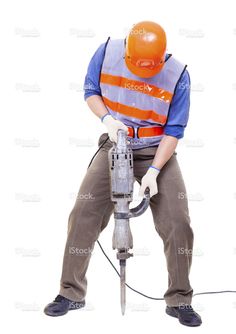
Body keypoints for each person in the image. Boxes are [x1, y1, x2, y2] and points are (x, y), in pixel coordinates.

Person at [44, 21, 202, 327]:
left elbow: (175, 130)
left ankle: (179, 300)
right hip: (115, 143)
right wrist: (107, 121)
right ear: (128, 52)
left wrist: (155, 171)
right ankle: (70, 293)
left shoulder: (178, 75)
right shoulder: (106, 53)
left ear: (161, 57)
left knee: (178, 221)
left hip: (158, 151)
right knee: (83, 212)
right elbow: (91, 90)